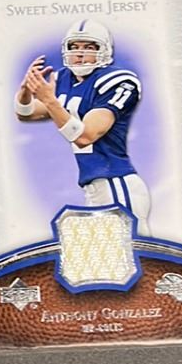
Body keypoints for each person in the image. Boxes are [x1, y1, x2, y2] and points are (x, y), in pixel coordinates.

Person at [15, 16, 150, 228]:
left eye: (88, 47)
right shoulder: (64, 79)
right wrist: (25, 89)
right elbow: (26, 113)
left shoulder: (118, 81)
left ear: (104, 50)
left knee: (134, 246)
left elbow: (86, 136)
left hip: (116, 183)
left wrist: (50, 100)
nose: (79, 53)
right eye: (74, 47)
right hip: (94, 186)